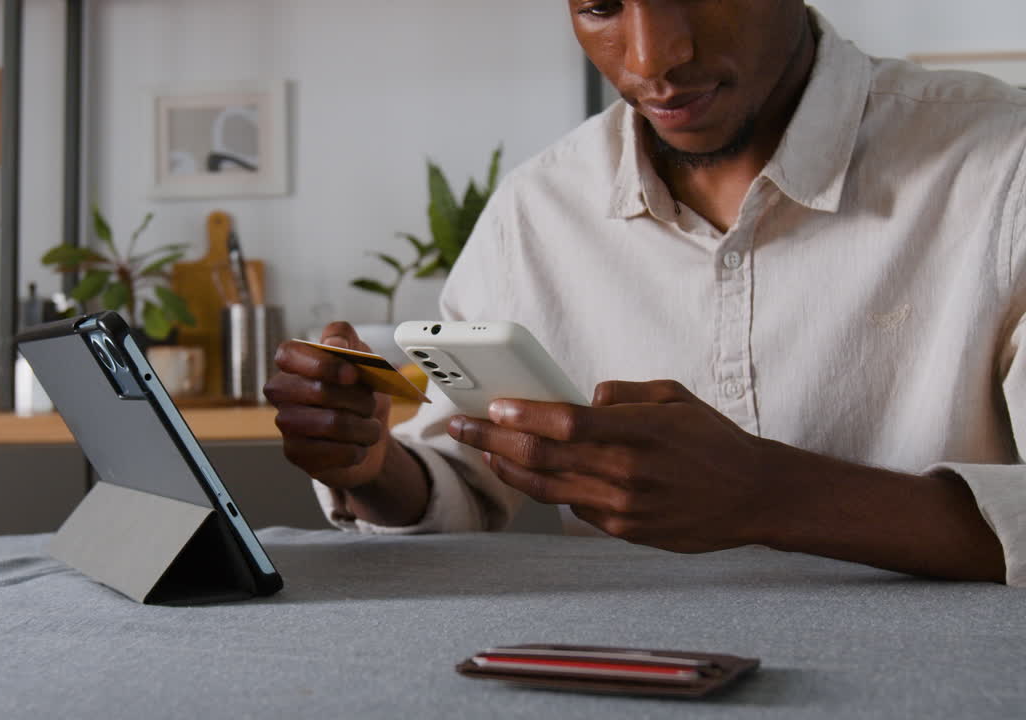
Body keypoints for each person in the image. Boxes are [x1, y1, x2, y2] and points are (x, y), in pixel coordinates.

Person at [263, 1, 1025, 586]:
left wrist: (770, 494)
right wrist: (369, 468)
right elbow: (460, 481)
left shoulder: (1002, 166)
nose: (653, 56)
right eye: (599, 6)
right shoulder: (539, 208)